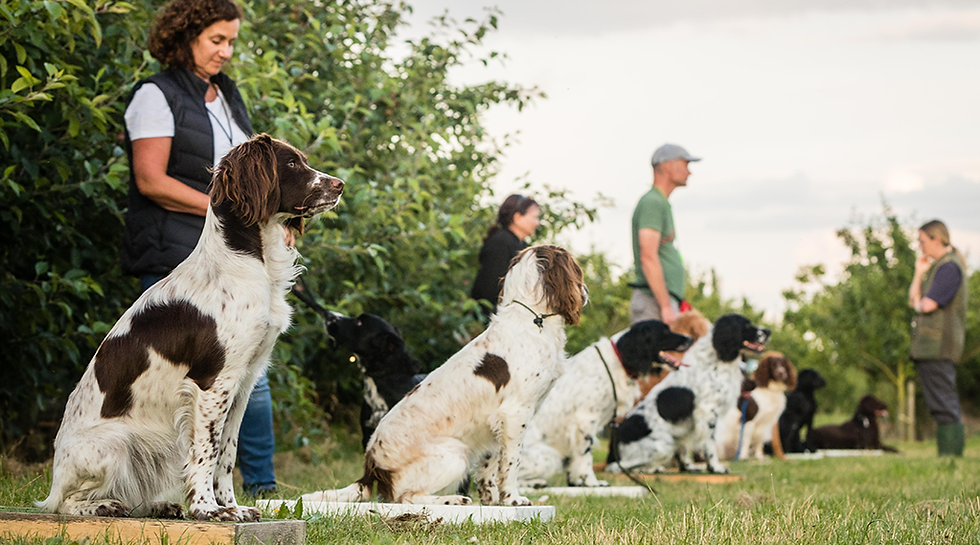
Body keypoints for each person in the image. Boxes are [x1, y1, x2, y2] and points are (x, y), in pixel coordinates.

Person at [122, 0, 276, 495]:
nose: (226, 51)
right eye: (217, 40)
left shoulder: (228, 99)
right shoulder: (155, 95)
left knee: (250, 378)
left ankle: (252, 486)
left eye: (231, 41)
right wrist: (227, 206)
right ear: (186, 35)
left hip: (229, 264)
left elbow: (255, 183)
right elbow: (151, 180)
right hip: (175, 262)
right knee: (171, 389)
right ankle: (195, 487)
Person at [908, 220, 969, 456]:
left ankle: (951, 458)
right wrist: (918, 273)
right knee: (940, 402)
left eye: (922, 241)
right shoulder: (938, 267)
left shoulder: (948, 268)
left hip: (939, 347)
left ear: (936, 239)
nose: (920, 247)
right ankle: (949, 457)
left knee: (944, 402)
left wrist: (920, 304)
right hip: (930, 348)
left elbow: (927, 304)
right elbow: (914, 302)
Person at [630, 144, 700, 325]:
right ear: (668, 165)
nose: (689, 172)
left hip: (660, 302)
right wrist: (666, 306)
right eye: (685, 164)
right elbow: (648, 256)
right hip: (653, 304)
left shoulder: (660, 202)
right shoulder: (653, 203)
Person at [471, 194, 541, 316]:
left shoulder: (522, 246)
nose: (537, 223)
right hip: (490, 321)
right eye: (535, 217)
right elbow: (489, 288)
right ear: (518, 217)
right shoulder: (501, 242)